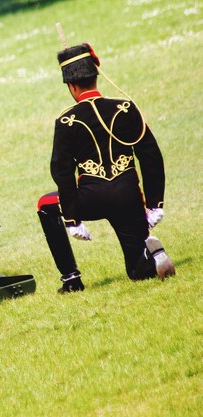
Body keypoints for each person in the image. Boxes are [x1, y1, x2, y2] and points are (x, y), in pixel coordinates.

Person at [36, 43, 175, 293]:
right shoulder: (126, 107)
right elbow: (151, 157)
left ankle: (71, 279)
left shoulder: (66, 121)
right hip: (129, 198)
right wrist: (154, 203)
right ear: (95, 76)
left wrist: (71, 218)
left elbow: (62, 172)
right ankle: (152, 260)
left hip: (90, 200)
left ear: (72, 86)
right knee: (136, 270)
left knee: (44, 205)